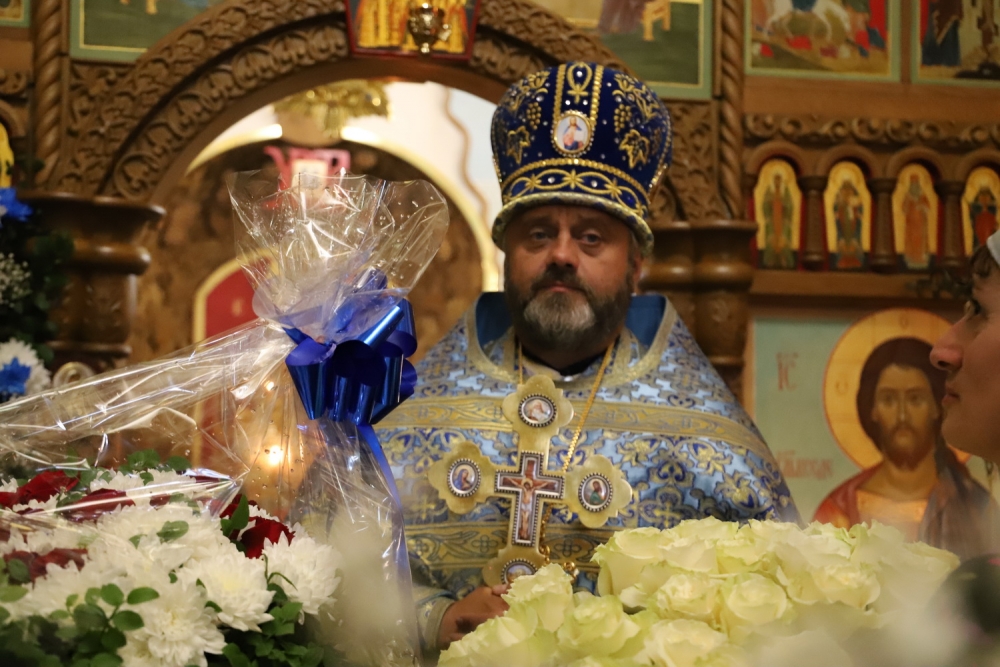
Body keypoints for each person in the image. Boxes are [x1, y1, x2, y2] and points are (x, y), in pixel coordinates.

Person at [375, 61, 799, 659]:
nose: (562, 255)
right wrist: (433, 618)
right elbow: (336, 565)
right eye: (538, 233)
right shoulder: (412, 416)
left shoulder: (710, 435)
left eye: (592, 237)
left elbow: (776, 604)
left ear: (636, 265)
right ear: (507, 254)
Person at [814, 337, 998, 559]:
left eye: (915, 399)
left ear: (937, 407)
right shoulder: (839, 509)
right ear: (872, 409)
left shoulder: (974, 505)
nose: (902, 415)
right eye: (888, 400)